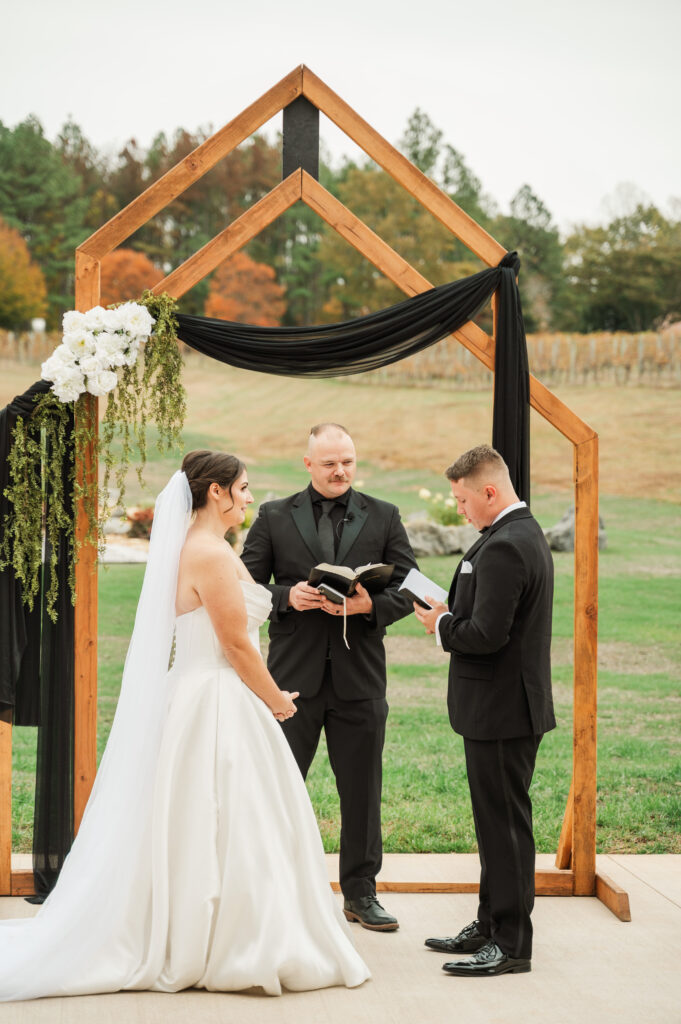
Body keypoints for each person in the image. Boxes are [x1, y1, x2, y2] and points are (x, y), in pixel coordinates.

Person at [0, 451, 370, 1000]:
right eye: (242, 487)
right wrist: (278, 701)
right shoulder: (211, 554)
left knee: (200, 819)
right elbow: (236, 644)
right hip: (217, 696)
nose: (248, 497)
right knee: (227, 818)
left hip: (196, 690)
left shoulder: (189, 548)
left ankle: (195, 932)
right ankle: (231, 944)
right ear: (215, 492)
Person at [242, 423, 417, 932]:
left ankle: (361, 894)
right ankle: (270, 891)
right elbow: (242, 584)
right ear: (308, 464)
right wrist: (284, 597)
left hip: (359, 681)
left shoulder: (384, 515)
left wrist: (368, 605)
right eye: (329, 463)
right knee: (277, 788)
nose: (340, 471)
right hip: (291, 681)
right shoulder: (274, 515)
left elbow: (411, 587)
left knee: (362, 793)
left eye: (348, 462)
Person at [414, 444, 555, 977]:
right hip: (504, 706)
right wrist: (455, 612)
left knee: (505, 828)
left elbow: (488, 636)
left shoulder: (505, 546)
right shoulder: (516, 533)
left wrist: (442, 626)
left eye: (462, 499)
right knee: (495, 823)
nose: (460, 510)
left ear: (489, 492)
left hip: (502, 710)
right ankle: (490, 922)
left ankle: (512, 944)